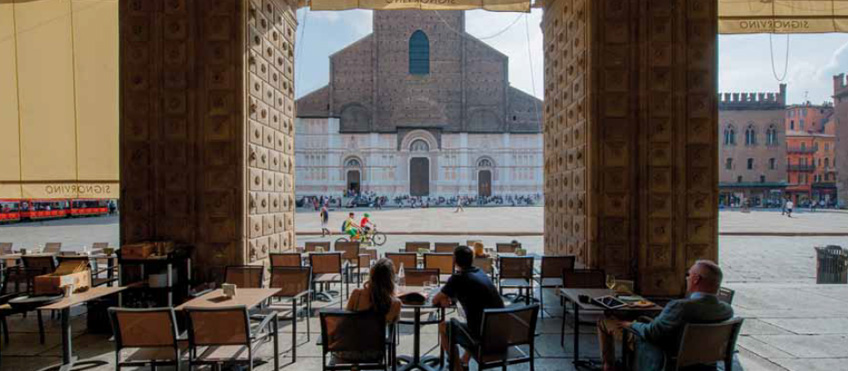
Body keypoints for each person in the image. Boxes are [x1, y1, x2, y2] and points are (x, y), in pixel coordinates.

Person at [596, 260, 733, 371]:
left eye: (689, 275)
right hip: (697, 359)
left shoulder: (680, 307)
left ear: (696, 279)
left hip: (662, 353)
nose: (687, 278)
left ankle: (608, 367)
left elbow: (652, 332)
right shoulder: (727, 310)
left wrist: (632, 324)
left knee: (605, 322)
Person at [432, 245, 505, 370]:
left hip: (483, 336)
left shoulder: (457, 278)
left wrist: (445, 297)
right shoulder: (480, 272)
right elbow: (468, 292)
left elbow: (435, 300)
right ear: (472, 260)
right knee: (475, 323)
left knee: (443, 327)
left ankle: (457, 368)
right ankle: (464, 361)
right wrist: (448, 296)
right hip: (501, 331)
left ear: (455, 260)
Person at [338, 258, 402, 362]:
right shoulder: (395, 304)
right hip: (374, 353)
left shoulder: (357, 294)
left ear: (371, 275)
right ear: (390, 279)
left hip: (347, 351)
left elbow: (345, 321)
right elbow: (392, 324)